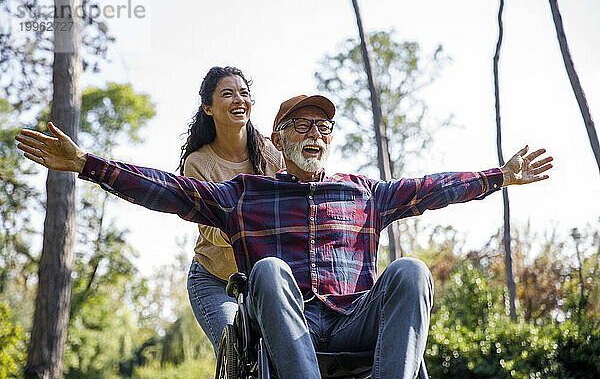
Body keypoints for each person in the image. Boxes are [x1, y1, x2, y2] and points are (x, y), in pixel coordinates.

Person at [15, 94, 553, 379]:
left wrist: (499, 176)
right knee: (268, 270)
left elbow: (433, 188)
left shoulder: (363, 192)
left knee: (410, 270)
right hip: (290, 326)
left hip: (353, 320)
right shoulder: (246, 194)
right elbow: (164, 189)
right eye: (302, 126)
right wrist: (87, 164)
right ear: (278, 138)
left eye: (323, 127)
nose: (315, 135)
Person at [178, 66, 283, 353]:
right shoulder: (198, 163)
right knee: (236, 351)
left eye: (244, 93)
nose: (239, 99)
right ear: (208, 108)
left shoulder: (272, 155)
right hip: (214, 280)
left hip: (264, 279)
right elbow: (211, 229)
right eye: (228, 94)